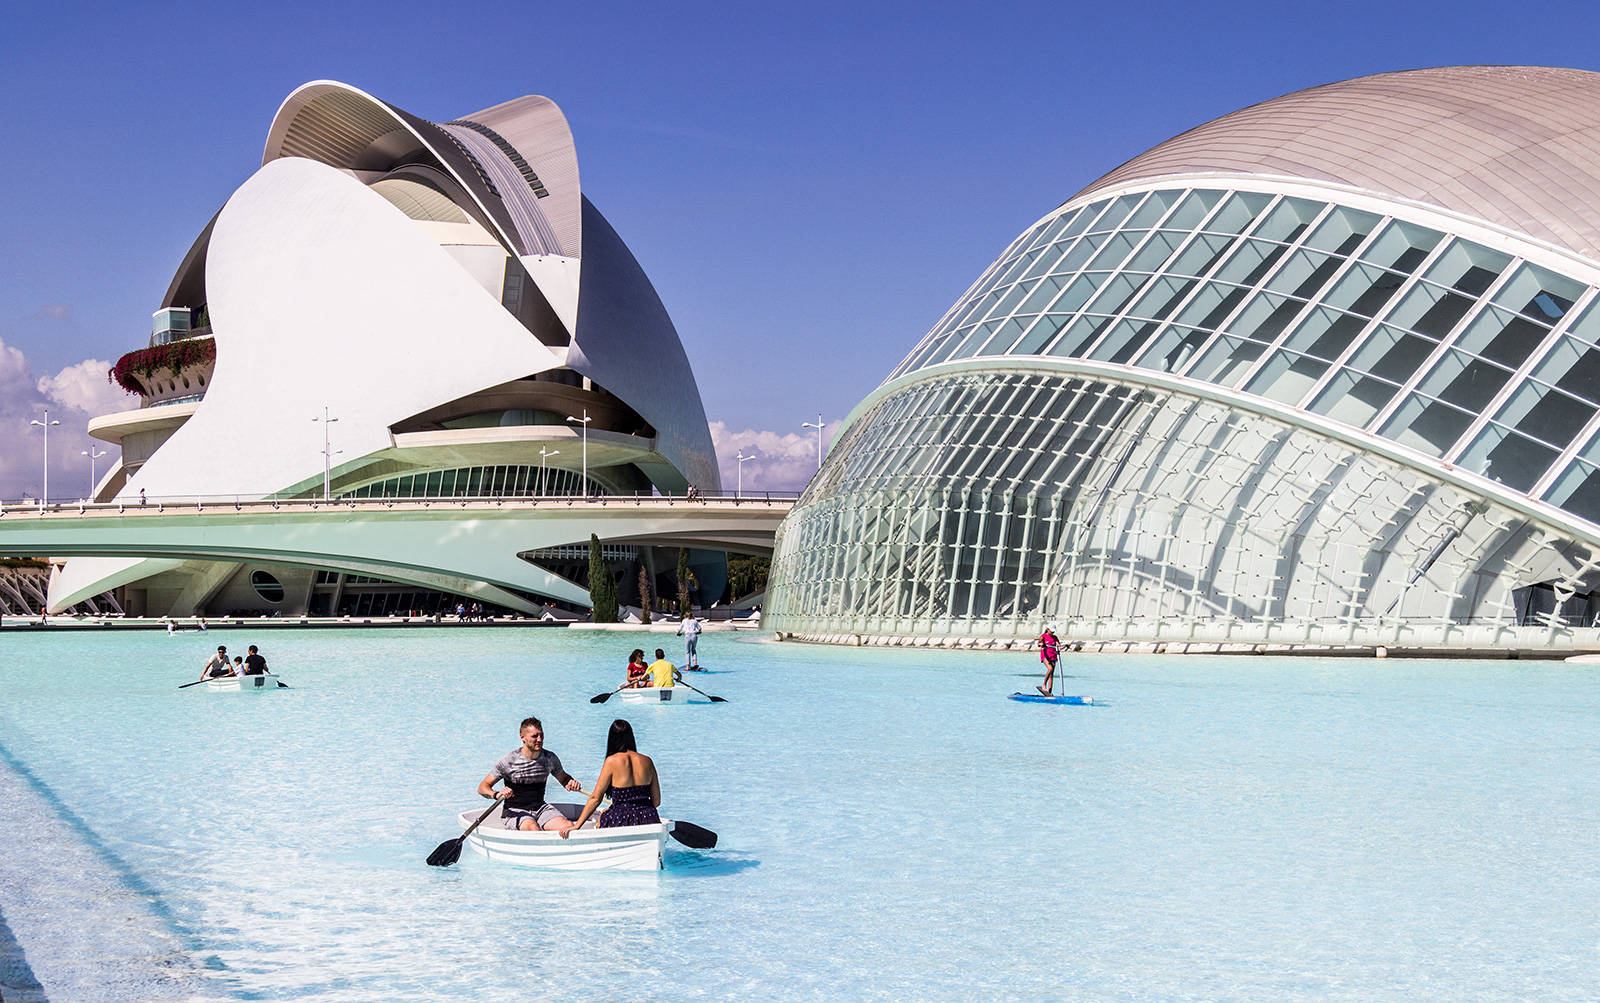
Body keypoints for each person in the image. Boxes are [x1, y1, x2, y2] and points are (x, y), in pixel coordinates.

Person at [477, 717, 582, 832]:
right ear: (522, 737)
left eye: (541, 735)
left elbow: (564, 779)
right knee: (533, 829)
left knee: (569, 827)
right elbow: (483, 787)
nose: (540, 739)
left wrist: (571, 782)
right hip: (514, 811)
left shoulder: (550, 758)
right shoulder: (509, 761)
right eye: (535, 736)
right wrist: (496, 794)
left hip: (540, 808)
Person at [563, 719, 660, 837]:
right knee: (607, 811)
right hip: (649, 817)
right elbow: (656, 801)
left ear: (612, 739)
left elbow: (595, 798)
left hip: (622, 819)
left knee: (603, 816)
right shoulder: (647, 761)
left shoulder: (612, 761)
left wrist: (577, 826)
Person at [1037, 624, 1062, 696]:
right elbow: (1039, 643)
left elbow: (1058, 646)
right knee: (1050, 668)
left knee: (1051, 675)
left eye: (1053, 632)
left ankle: (1050, 692)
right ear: (1047, 629)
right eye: (1051, 631)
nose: (1052, 633)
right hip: (1045, 655)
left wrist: (1065, 646)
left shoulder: (1055, 637)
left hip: (1053, 656)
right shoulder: (1043, 636)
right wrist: (1041, 644)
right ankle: (1044, 685)